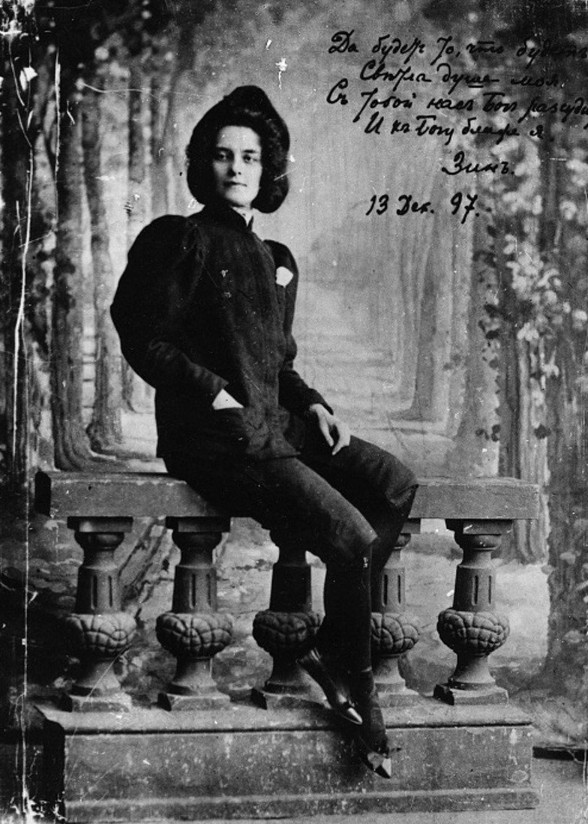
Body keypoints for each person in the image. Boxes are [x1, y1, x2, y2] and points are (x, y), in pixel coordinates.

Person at [111, 85, 417, 779]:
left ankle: (335, 646)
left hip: (274, 424)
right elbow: (140, 333)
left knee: (394, 483)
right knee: (352, 537)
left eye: (250, 157)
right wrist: (211, 391)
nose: (236, 168)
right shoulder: (178, 238)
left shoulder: (277, 255)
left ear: (268, 168)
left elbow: (278, 363)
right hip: (215, 438)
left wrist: (315, 404)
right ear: (204, 165)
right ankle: (359, 690)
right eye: (222, 155)